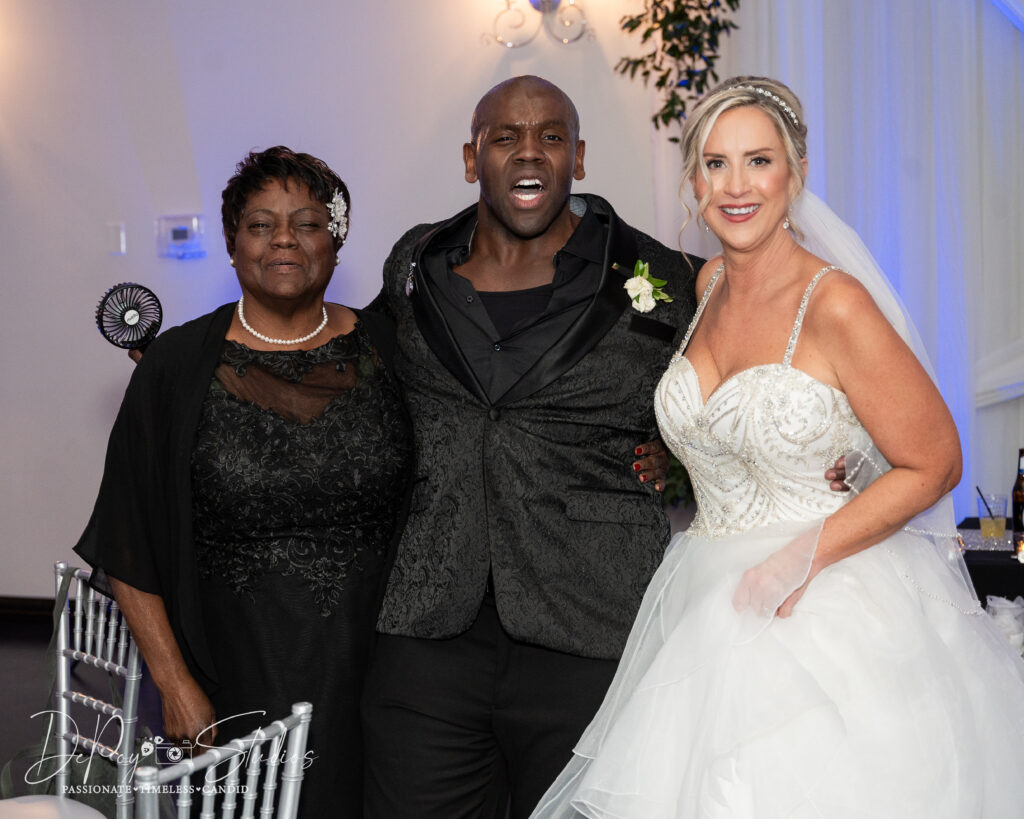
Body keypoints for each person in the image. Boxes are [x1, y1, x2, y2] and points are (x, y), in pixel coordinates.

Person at [530, 77, 1024, 818]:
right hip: (704, 600)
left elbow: (936, 460)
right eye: (716, 163)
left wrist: (801, 558)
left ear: (794, 174)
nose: (736, 186)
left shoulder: (835, 302)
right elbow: (739, 427)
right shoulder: (709, 282)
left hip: (824, 606)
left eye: (758, 161)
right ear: (693, 180)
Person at [361, 75, 847, 818]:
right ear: (470, 159)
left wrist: (693, 467)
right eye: (505, 137)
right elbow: (351, 364)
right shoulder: (414, 266)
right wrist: (203, 360)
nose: (530, 153)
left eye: (551, 137)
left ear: (578, 156)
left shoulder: (664, 278)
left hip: (594, 628)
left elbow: (744, 394)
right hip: (429, 630)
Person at [74, 146, 411, 818]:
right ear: (233, 246)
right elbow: (127, 535)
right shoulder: (175, 365)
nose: (284, 238)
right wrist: (173, 682)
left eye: (307, 223)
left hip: (380, 670)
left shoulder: (389, 347)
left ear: (336, 241)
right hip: (234, 671)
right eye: (261, 225)